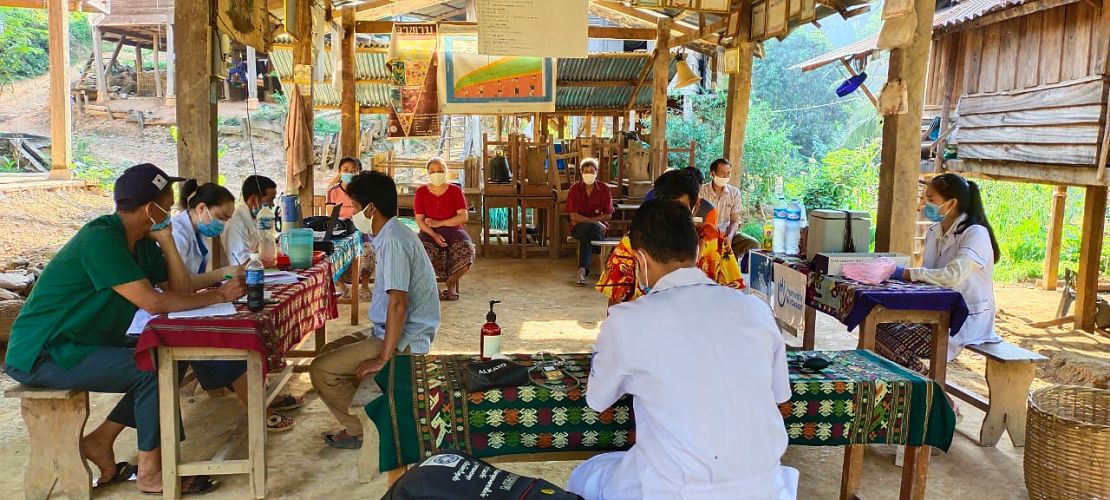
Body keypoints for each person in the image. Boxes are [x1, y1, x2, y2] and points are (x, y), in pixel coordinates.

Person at [3, 163, 244, 495]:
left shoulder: (143, 242)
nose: (172, 211)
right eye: (168, 203)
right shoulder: (101, 238)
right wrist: (219, 295)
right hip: (45, 353)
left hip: (82, 342)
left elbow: (181, 288)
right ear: (151, 209)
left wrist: (169, 243)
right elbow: (155, 303)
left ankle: (101, 440)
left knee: (172, 356)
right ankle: (150, 474)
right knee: (152, 368)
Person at [568, 199, 798, 499]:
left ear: (640, 260)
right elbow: (780, 393)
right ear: (698, 252)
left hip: (671, 490)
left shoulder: (627, 320)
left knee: (587, 475)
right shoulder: (755, 310)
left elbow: (598, 400)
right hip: (764, 489)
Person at [309, 171, 441, 449]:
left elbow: (398, 303)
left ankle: (366, 432)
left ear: (371, 208)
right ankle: (373, 415)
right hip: (387, 329)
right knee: (328, 354)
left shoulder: (393, 240)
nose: (354, 213)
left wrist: (384, 357)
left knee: (322, 370)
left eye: (356, 207)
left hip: (405, 339)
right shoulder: (392, 233)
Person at [169, 179, 301, 431]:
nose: (223, 222)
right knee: (233, 341)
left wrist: (223, 274)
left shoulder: (197, 231)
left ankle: (258, 395)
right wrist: (221, 278)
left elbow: (191, 281)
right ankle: (260, 409)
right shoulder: (177, 233)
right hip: (171, 307)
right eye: (220, 216)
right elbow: (176, 285)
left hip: (186, 301)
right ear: (201, 209)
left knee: (242, 326)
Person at [881, 173, 1003, 373]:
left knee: (891, 343)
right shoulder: (934, 231)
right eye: (924, 199)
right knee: (879, 328)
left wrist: (906, 274)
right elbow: (930, 273)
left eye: (931, 200)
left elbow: (951, 276)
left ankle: (930, 389)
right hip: (936, 312)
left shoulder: (975, 233)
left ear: (951, 203)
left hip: (965, 318)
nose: (923, 205)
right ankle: (923, 385)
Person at [596, 169, 743, 306]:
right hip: (646, 328)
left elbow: (733, 292)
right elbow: (615, 300)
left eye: (681, 208)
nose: (672, 216)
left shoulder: (713, 239)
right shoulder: (634, 240)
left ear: (696, 206)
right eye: (666, 208)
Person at [413, 157, 474, 301]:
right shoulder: (421, 192)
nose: (436, 174)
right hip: (428, 232)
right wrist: (434, 234)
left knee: (467, 250)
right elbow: (420, 220)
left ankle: (451, 282)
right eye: (432, 171)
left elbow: (463, 216)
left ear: (446, 171)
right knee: (421, 254)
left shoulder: (455, 190)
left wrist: (439, 223)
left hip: (454, 230)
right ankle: (433, 285)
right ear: (427, 173)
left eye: (440, 170)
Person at [327, 157, 375, 299]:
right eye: (346, 170)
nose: (349, 173)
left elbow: (368, 215)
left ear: (359, 173)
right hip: (340, 231)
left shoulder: (365, 192)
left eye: (353, 171)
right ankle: (342, 287)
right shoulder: (333, 191)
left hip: (361, 231)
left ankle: (364, 287)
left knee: (369, 252)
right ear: (339, 172)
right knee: (331, 254)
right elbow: (331, 214)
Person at [565, 158, 613, 286]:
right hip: (579, 228)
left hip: (596, 229)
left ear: (596, 173)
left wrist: (592, 223)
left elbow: (608, 214)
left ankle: (582, 270)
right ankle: (599, 264)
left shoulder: (604, 189)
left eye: (592, 171)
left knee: (588, 235)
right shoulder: (575, 189)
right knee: (591, 229)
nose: (589, 173)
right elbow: (573, 216)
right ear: (581, 173)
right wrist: (596, 223)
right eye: (586, 171)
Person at [224, 174, 277, 265]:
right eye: (270, 199)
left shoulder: (256, 218)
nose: (273, 205)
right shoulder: (236, 222)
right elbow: (243, 263)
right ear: (254, 200)